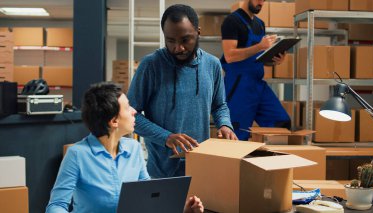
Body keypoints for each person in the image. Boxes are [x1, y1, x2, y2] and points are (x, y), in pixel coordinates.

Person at [46, 82, 204, 213]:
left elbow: (148, 196)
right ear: (114, 121)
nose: (134, 111)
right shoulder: (77, 155)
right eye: (128, 107)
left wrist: (182, 209)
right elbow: (56, 205)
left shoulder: (134, 148)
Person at [127, 4, 237, 178]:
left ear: (198, 32)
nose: (178, 48)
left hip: (200, 166)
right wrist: (166, 137)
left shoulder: (212, 64)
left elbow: (219, 105)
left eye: (185, 40)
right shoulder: (151, 65)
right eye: (171, 41)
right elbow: (131, 115)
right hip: (162, 171)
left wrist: (224, 124)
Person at [221, 0, 291, 141]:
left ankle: (271, 162)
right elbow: (229, 56)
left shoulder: (260, 24)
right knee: (237, 135)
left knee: (281, 123)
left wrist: (275, 60)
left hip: (257, 84)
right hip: (238, 87)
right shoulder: (231, 21)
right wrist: (260, 46)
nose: (261, 2)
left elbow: (257, 58)